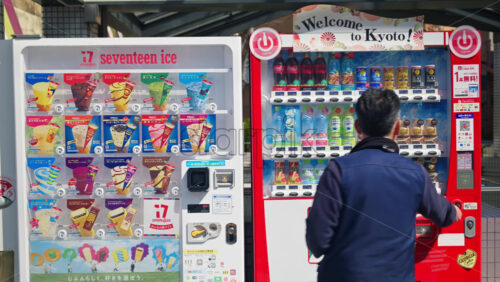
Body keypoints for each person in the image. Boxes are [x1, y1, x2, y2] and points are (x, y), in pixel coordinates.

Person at [306, 88, 461, 282]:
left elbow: (317, 242)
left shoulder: (337, 171)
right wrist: (454, 211)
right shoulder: (415, 173)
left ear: (357, 127)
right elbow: (443, 214)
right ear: (397, 128)